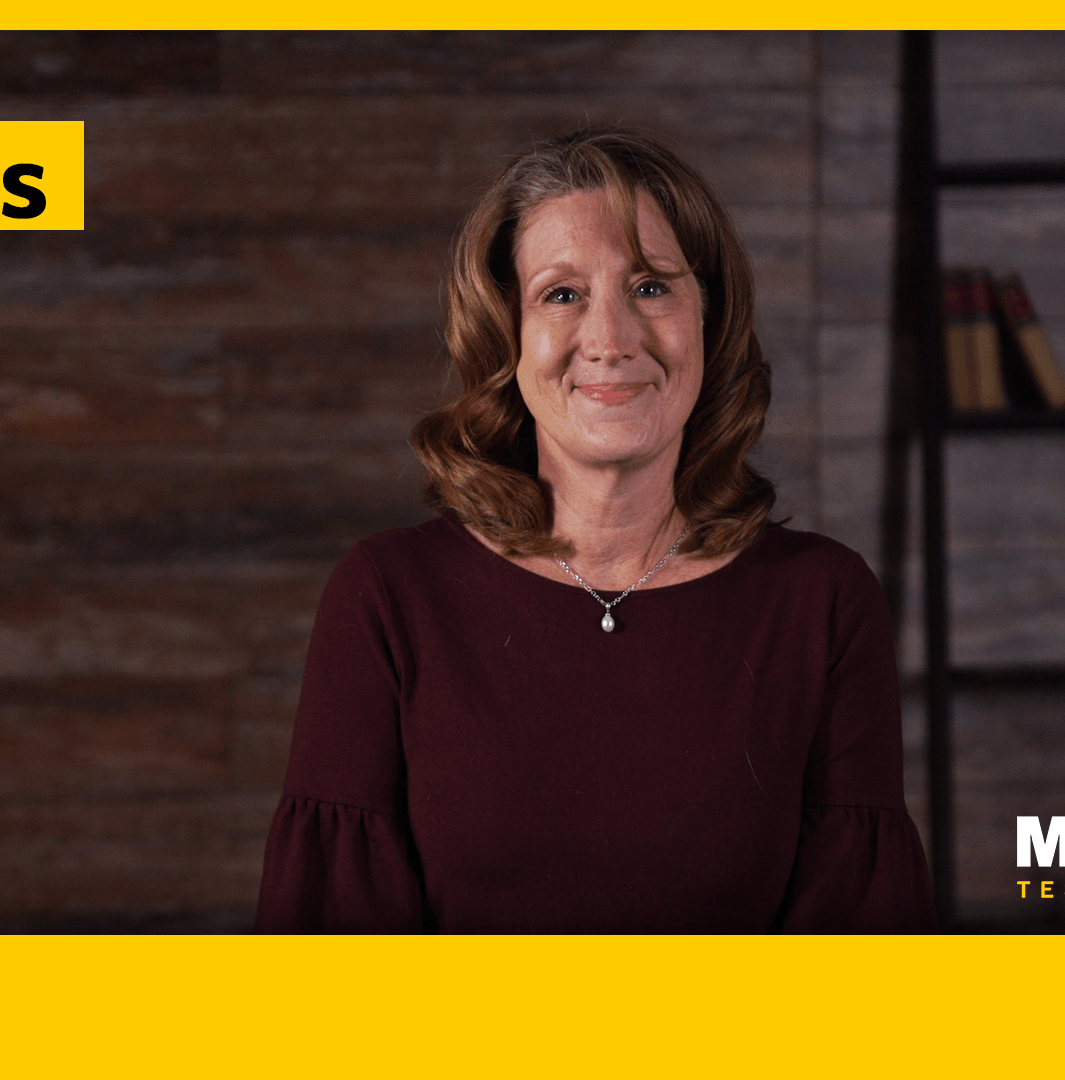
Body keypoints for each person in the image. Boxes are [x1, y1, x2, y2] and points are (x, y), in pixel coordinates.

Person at [255, 127, 935, 933]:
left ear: (710, 325)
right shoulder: (387, 598)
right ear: (507, 334)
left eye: (650, 287)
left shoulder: (823, 603)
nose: (611, 340)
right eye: (562, 294)